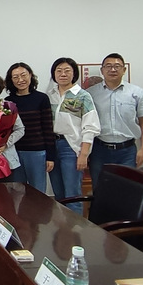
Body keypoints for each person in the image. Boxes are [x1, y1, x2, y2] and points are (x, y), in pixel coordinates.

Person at [87, 53, 143, 189]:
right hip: (99, 150)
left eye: (117, 66)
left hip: (127, 151)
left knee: (127, 189)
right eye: (108, 66)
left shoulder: (137, 92)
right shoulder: (90, 93)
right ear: (102, 70)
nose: (113, 69)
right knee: (100, 189)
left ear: (124, 70)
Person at [47, 57, 100, 214]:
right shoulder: (49, 95)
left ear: (74, 73)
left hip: (71, 147)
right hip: (52, 146)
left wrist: (84, 154)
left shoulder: (82, 96)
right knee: (58, 193)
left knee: (73, 194)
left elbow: (91, 126)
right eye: (59, 71)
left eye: (67, 70)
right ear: (54, 74)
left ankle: (76, 228)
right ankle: (62, 226)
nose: (63, 74)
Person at [4, 62, 56, 193]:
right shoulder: (8, 101)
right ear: (11, 80)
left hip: (36, 152)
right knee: (16, 192)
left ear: (30, 75)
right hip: (14, 152)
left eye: (23, 75)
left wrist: (50, 156)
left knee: (38, 192)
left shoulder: (41, 98)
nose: (20, 80)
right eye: (15, 77)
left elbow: (48, 128)